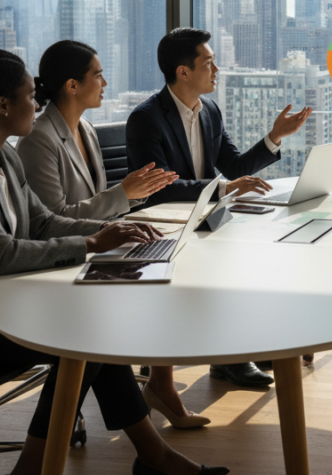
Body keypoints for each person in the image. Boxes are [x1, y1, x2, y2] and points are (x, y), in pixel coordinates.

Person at [0, 49, 228, 475]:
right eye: (30, 96)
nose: (38, 103)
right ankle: (47, 470)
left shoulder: (3, 155)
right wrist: (89, 242)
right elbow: (2, 252)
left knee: (95, 331)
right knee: (80, 342)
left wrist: (107, 235)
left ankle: (147, 457)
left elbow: (42, 220)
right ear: (2, 105)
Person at [17, 40, 209, 429]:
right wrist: (123, 197)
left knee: (169, 267)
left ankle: (158, 391)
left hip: (93, 247)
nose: (105, 82)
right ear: (72, 85)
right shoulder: (39, 138)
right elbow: (51, 219)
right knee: (120, 317)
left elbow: (97, 204)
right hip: (60, 258)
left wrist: (125, 210)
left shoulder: (85, 129)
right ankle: (149, 402)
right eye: (98, 75)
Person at [126, 28, 312, 387]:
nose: (217, 69)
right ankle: (232, 357)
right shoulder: (146, 118)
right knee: (233, 258)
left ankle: (237, 346)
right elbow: (158, 191)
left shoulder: (209, 109)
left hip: (205, 215)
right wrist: (224, 188)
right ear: (183, 72)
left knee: (264, 242)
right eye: (208, 62)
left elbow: (235, 168)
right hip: (166, 222)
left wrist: (274, 137)